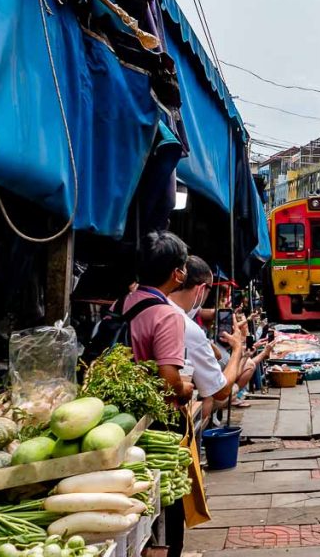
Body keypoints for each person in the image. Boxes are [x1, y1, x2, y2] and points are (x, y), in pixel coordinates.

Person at [121, 231, 192, 557]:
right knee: (167, 499)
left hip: (124, 415)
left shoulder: (128, 301)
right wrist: (186, 387)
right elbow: (167, 380)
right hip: (157, 423)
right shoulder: (167, 314)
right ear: (177, 273)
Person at [168, 256, 256, 425]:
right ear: (201, 289)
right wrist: (237, 348)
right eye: (209, 290)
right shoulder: (186, 325)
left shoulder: (143, 304)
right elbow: (221, 391)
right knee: (217, 392)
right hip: (169, 413)